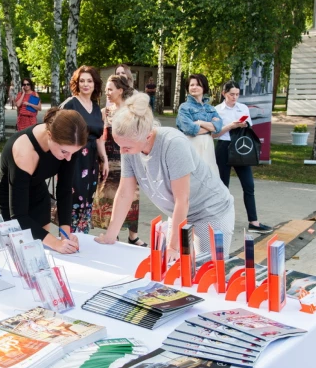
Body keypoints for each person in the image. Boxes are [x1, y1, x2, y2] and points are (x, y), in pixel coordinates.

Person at [94, 93, 235, 262]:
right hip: (179, 213)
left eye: (126, 147)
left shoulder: (173, 144)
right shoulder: (129, 146)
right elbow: (125, 193)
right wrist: (111, 235)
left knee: (207, 270)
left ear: (146, 136)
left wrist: (173, 247)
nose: (122, 151)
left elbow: (182, 199)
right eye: (120, 145)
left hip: (210, 211)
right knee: (173, 270)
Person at [0, 108, 88, 254]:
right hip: (11, 199)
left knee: (42, 252)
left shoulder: (69, 145)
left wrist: (65, 233)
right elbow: (18, 215)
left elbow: (64, 190)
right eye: (64, 152)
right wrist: (56, 243)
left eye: (73, 153)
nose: (69, 158)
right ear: (49, 135)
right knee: (19, 252)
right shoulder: (24, 150)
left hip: (38, 193)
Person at [92, 75, 146, 247]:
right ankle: (112, 234)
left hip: (129, 159)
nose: (107, 93)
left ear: (120, 90)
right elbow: (99, 138)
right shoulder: (104, 112)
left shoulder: (132, 112)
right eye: (106, 89)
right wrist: (104, 159)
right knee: (108, 197)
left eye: (110, 89)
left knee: (131, 197)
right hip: (109, 160)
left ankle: (133, 236)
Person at [215, 80, 272, 234]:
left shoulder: (243, 108)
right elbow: (214, 134)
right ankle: (221, 222)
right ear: (224, 93)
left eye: (237, 94)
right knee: (223, 187)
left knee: (249, 185)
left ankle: (254, 222)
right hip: (224, 147)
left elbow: (250, 126)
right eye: (231, 94)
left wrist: (244, 125)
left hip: (241, 147)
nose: (234, 97)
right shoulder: (217, 110)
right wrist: (230, 126)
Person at [60, 66, 106, 234]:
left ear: (95, 84)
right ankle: (68, 236)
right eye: (82, 81)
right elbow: (54, 126)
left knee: (87, 199)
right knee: (73, 198)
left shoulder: (95, 107)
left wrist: (105, 159)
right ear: (77, 84)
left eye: (89, 81)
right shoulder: (71, 104)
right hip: (74, 158)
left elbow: (99, 136)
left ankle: (82, 237)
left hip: (92, 160)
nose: (86, 84)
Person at [176, 74, 222, 176]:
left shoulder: (210, 108)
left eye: (198, 85)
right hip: (191, 146)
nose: (194, 87)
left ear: (203, 87)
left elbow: (218, 127)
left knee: (210, 177)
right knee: (193, 177)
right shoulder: (184, 108)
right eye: (191, 85)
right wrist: (210, 127)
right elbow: (190, 129)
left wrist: (200, 123)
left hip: (208, 148)